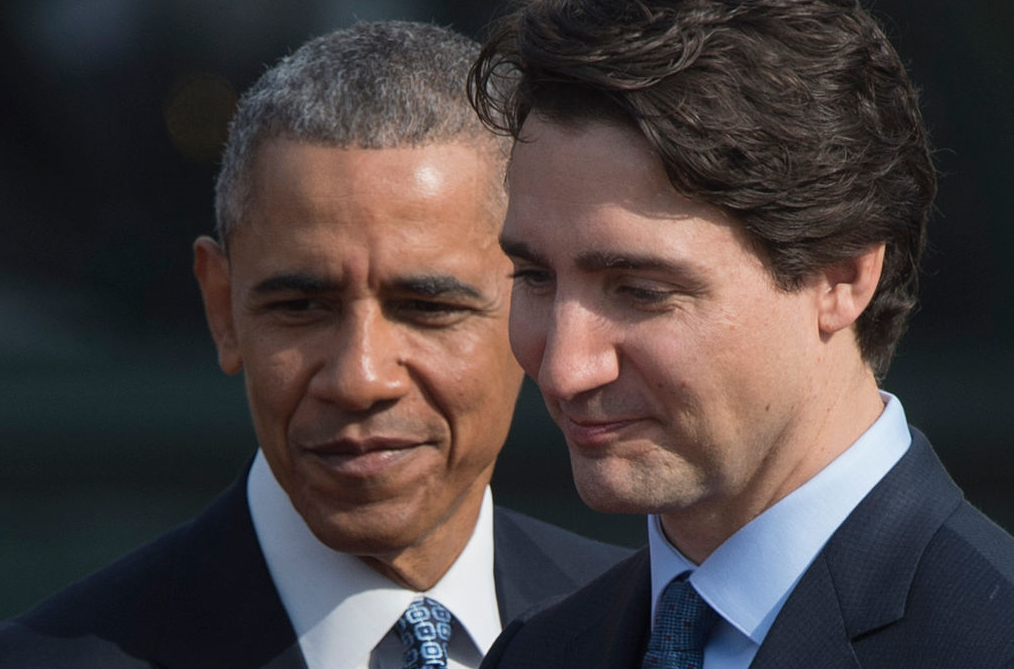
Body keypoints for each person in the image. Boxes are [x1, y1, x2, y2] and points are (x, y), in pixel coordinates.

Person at [0, 21, 629, 668]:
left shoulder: (653, 631)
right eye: (301, 307)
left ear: (539, 308)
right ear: (223, 308)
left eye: (428, 308)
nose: (360, 377)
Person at [467, 0, 1014, 666]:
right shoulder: (538, 652)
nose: (564, 368)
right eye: (534, 277)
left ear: (842, 277)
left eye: (641, 291)